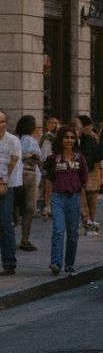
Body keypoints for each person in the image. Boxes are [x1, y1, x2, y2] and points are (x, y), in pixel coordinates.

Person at [43, 124, 89, 275]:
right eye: (66, 137)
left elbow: (83, 183)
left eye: (71, 138)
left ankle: (69, 264)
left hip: (74, 198)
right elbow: (48, 182)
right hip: (58, 198)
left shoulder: (80, 159)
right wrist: (47, 204)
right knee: (58, 231)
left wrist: (85, 207)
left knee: (73, 235)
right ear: (60, 139)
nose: (69, 140)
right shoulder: (53, 159)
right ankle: (56, 262)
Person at [15, 116, 42, 252]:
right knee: (29, 208)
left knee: (16, 208)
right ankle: (25, 239)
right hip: (29, 175)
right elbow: (37, 157)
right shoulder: (30, 140)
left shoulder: (16, 139)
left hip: (16, 176)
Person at [0, 110, 21, 275]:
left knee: (6, 223)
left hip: (6, 185)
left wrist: (4, 182)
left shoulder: (13, 141)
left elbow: (13, 163)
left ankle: (9, 263)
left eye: (2, 121)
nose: (0, 125)